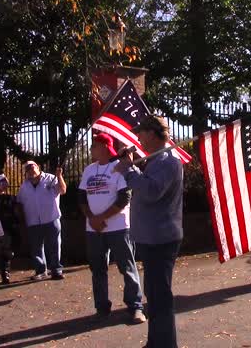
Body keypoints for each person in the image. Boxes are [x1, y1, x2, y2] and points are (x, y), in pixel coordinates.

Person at [114, 115, 184, 348]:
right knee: (154, 295)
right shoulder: (156, 160)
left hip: (160, 238)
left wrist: (128, 169)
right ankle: (157, 341)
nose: (137, 137)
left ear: (152, 134)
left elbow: (151, 191)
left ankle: (165, 344)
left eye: (140, 133)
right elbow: (146, 183)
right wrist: (132, 165)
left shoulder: (167, 160)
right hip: (152, 236)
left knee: (160, 297)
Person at [78, 133, 146, 324]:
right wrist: (92, 218)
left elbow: (125, 197)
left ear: (104, 147)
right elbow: (82, 197)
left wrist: (102, 217)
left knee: (127, 267)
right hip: (94, 229)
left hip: (118, 227)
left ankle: (135, 307)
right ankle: (102, 308)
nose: (91, 149)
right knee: (97, 269)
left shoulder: (118, 169)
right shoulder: (89, 170)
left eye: (94, 145)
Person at [16, 161, 67, 280]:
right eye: (27, 169)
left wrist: (59, 176)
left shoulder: (50, 178)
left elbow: (63, 190)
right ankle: (40, 271)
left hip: (51, 218)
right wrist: (22, 219)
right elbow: (20, 203)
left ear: (38, 167)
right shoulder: (24, 186)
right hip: (33, 221)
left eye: (32, 167)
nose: (30, 170)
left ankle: (56, 270)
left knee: (54, 245)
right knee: (36, 247)